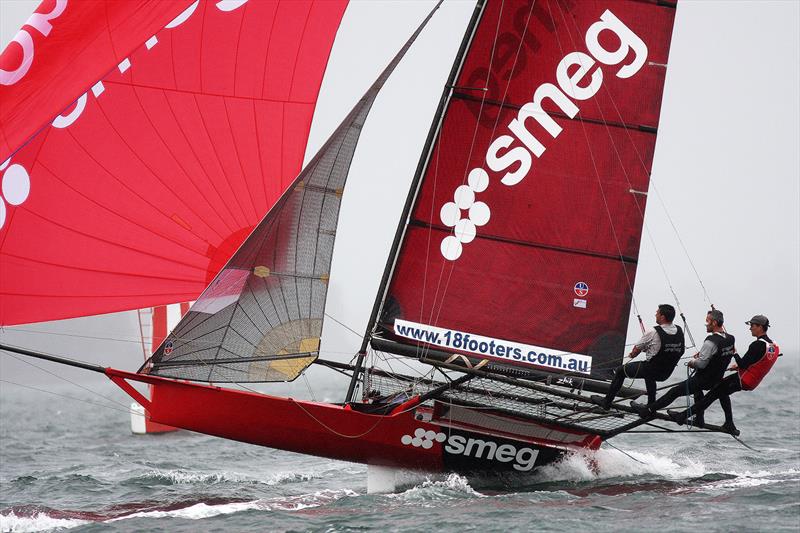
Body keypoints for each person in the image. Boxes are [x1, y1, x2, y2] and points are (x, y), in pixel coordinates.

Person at [631, 309, 738, 434]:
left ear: (714, 323)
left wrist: (692, 362)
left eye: (707, 321)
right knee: (720, 393)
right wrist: (707, 355)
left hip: (704, 379)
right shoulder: (731, 338)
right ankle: (702, 419)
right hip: (716, 378)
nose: (705, 324)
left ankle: (648, 410)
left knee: (674, 392)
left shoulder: (710, 341)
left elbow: (701, 364)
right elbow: (728, 352)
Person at [667, 315, 780, 430]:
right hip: (751, 381)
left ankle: (682, 416)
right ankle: (729, 424)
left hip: (743, 380)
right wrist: (740, 367)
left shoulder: (757, 344)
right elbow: (760, 361)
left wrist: (734, 353)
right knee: (721, 392)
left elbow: (743, 364)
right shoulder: (773, 345)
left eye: (752, 326)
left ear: (760, 327)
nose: (750, 328)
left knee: (711, 395)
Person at [591, 304, 684, 409]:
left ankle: (606, 402)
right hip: (666, 373)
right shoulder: (679, 330)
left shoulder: (652, 332)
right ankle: (650, 406)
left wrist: (632, 354)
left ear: (662, 317)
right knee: (650, 373)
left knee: (621, 371)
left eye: (657, 313)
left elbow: (636, 351)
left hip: (652, 369)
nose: (655, 315)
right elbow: (679, 350)